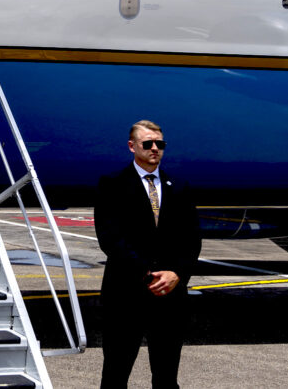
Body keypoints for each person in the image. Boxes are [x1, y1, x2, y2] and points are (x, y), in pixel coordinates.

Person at [95, 120, 201, 388]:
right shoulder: (112, 185)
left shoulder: (180, 186)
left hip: (169, 296)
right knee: (115, 375)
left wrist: (177, 273)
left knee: (166, 377)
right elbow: (110, 239)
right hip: (126, 293)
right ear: (132, 146)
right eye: (148, 143)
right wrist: (147, 273)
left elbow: (192, 240)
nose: (155, 148)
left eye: (160, 144)